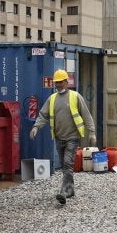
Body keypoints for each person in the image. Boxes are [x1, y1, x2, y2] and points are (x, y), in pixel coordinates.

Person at [30, 69, 95, 205]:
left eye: (60, 82)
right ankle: (70, 189)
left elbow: (86, 114)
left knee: (67, 164)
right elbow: (43, 115)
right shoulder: (52, 99)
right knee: (65, 167)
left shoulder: (75, 96)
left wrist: (92, 132)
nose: (58, 84)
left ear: (66, 82)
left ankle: (63, 192)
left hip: (72, 137)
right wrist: (36, 127)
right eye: (56, 82)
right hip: (59, 138)